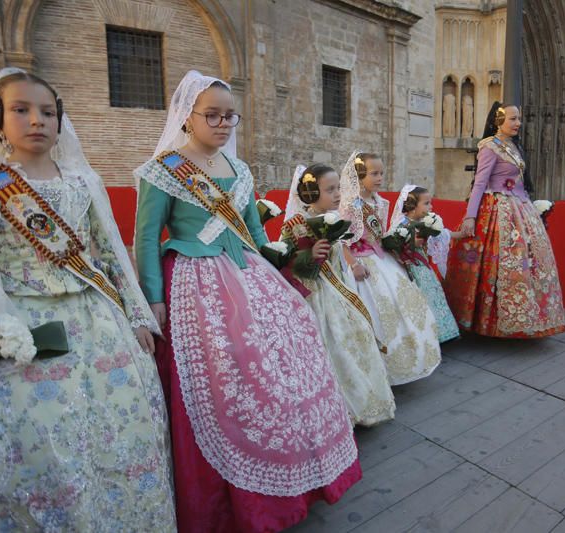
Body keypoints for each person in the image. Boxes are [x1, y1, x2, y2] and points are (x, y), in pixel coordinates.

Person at [134, 71, 360, 532]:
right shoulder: (163, 170)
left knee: (284, 362)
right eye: (211, 116)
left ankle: (296, 479)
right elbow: (144, 239)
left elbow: (257, 239)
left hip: (248, 276)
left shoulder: (240, 172)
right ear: (188, 117)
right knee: (225, 375)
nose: (221, 124)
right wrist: (152, 299)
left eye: (228, 116)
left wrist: (287, 268)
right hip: (194, 284)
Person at [0, 68, 176, 530]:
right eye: (20, 110)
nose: (36, 121)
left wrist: (137, 314)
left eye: (47, 111)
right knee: (45, 438)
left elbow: (110, 253)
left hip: (100, 322)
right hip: (31, 329)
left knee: (121, 432)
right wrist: (2, 328)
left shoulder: (84, 182)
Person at [280, 163, 395, 426]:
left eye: (338, 189)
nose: (337, 195)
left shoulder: (335, 221)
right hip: (315, 296)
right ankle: (334, 410)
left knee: (354, 339)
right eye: (329, 190)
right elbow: (287, 262)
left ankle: (363, 404)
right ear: (310, 193)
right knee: (330, 346)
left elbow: (341, 254)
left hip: (340, 290)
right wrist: (310, 255)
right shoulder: (296, 224)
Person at [445, 102, 565, 338]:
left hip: (519, 207)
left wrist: (530, 207)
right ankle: (484, 320)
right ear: (498, 122)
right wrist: (470, 216)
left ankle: (527, 317)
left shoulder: (512, 146)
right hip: (497, 209)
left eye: (518, 118)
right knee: (495, 262)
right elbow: (480, 182)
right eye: (512, 119)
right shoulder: (490, 147)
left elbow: (519, 183)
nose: (518, 123)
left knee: (526, 262)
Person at [338, 151, 441, 385]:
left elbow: (381, 235)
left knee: (404, 305)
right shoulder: (351, 205)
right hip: (362, 263)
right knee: (376, 311)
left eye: (381, 173)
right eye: (373, 173)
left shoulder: (379, 202)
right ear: (359, 175)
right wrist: (353, 264)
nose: (379, 177)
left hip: (382, 259)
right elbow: (342, 241)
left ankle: (409, 360)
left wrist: (400, 248)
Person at [390, 184, 461, 343]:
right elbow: (393, 244)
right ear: (412, 206)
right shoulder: (402, 225)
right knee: (419, 300)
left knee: (433, 294)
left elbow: (443, 234)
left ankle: (442, 332)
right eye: (427, 203)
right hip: (408, 268)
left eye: (431, 202)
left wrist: (461, 234)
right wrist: (410, 243)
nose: (431, 206)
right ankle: (424, 336)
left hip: (423, 269)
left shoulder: (426, 223)